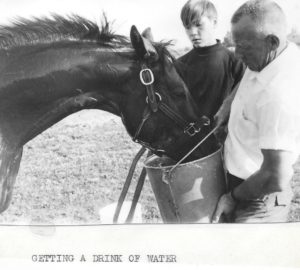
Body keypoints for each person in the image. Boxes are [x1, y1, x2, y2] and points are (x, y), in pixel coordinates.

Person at [212, 0, 300, 223]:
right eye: (235, 45)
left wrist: (232, 197)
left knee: (245, 256)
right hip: (244, 182)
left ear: (272, 42)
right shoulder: (270, 55)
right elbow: (250, 75)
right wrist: (229, 104)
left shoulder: (280, 95)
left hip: (260, 199)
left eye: (244, 47)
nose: (237, 54)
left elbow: (275, 176)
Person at [176, 0, 245, 124]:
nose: (192, 32)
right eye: (187, 27)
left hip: (225, 138)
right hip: (190, 141)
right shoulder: (179, 65)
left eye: (198, 24)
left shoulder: (235, 61)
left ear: (214, 22)